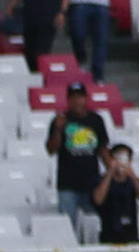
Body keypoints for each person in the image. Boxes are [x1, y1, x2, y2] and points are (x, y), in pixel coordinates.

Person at [46, 82, 109, 239]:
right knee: (67, 228)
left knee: (94, 225)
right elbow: (51, 149)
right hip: (67, 184)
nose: (77, 101)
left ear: (85, 98)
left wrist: (111, 170)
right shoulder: (59, 120)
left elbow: (102, 149)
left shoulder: (96, 120)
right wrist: (58, 130)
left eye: (80, 97)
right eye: (73, 97)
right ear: (68, 100)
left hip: (91, 182)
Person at [91, 143, 139, 244]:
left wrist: (132, 175)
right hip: (109, 233)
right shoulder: (101, 181)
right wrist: (110, 172)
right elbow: (98, 200)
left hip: (131, 233)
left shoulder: (135, 181)